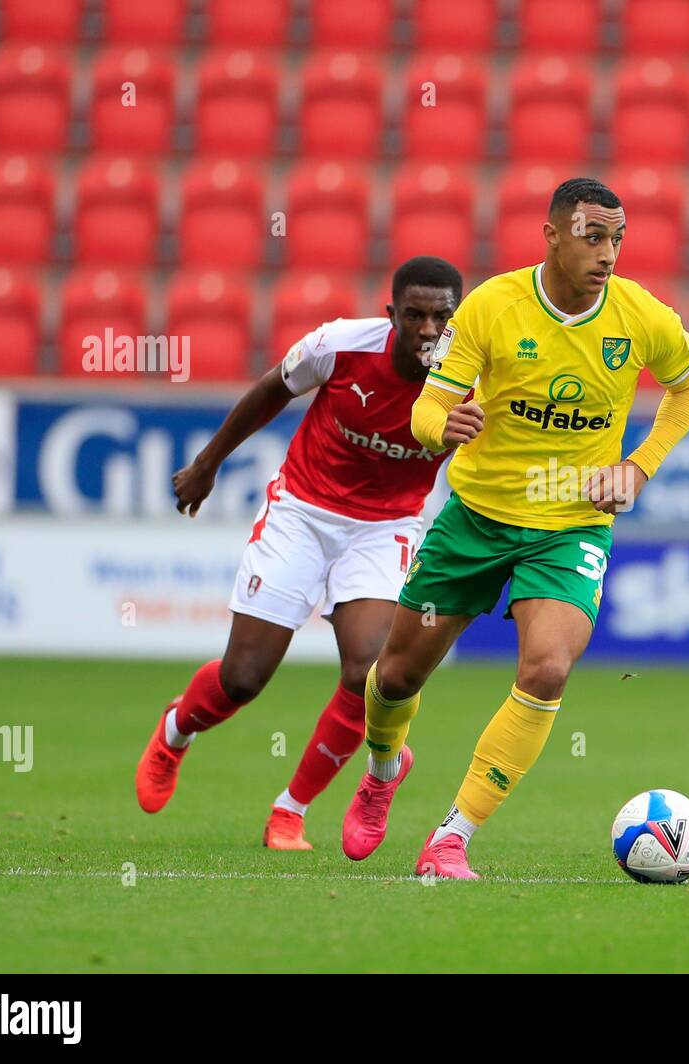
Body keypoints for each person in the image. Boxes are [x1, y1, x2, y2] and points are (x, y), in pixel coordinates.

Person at [339, 178, 689, 878]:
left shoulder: (641, 317)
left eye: (617, 239)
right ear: (552, 235)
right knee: (394, 675)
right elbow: (428, 408)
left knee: (546, 669)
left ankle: (453, 836)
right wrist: (438, 428)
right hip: (475, 519)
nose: (607, 253)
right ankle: (384, 768)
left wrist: (638, 467)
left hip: (571, 526)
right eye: (592, 236)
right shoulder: (492, 308)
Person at [134, 257, 463, 851]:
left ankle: (290, 810)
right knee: (243, 679)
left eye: (441, 316)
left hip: (386, 527)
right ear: (392, 316)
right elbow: (270, 391)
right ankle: (176, 730)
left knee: (369, 675)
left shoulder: (474, 377)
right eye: (414, 315)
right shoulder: (339, 345)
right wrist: (208, 465)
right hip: (302, 514)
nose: (427, 329)